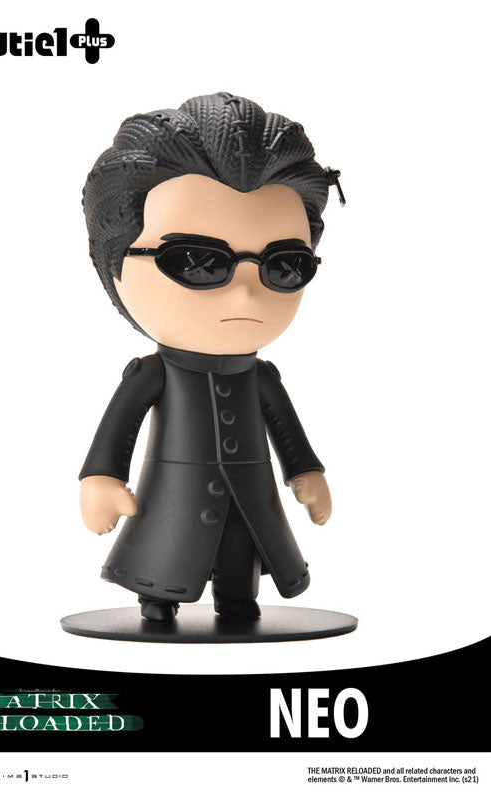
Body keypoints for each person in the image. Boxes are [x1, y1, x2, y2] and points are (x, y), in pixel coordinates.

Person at [79, 92, 342, 622]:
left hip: (253, 497)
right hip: (170, 497)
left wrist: (306, 472)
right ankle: (157, 603)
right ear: (116, 266)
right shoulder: (152, 374)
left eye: (284, 266)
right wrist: (101, 479)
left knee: (242, 562)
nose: (245, 294)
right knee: (163, 560)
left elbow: (287, 431)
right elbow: (118, 429)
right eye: (198, 263)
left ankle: (239, 603)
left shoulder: (261, 376)